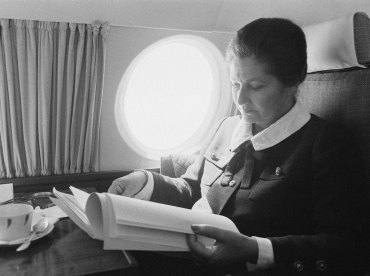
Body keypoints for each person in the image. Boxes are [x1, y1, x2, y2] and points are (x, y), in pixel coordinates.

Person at [108, 18, 370, 275]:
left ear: (294, 81)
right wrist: (144, 181)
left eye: (255, 87)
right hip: (185, 258)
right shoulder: (227, 127)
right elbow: (193, 190)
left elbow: (346, 245)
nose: (240, 99)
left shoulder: (326, 143)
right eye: (235, 84)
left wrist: (255, 250)